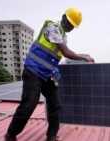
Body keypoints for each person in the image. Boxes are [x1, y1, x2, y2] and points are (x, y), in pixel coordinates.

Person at [5, 7, 95, 141]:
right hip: (34, 70)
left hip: (48, 74)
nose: (70, 27)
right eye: (70, 23)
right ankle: (11, 134)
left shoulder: (63, 36)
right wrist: (84, 58)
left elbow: (54, 57)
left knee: (55, 105)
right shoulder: (53, 27)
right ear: (64, 17)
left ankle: (51, 136)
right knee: (29, 105)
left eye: (73, 26)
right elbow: (66, 53)